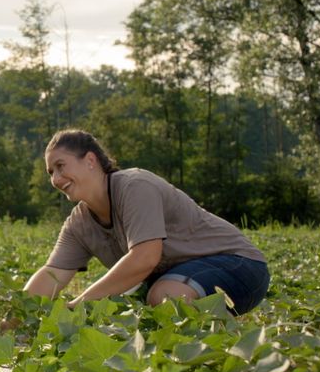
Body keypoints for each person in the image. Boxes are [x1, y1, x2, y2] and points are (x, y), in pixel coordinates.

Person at [24, 129, 269, 315]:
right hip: (177, 276)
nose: (56, 179)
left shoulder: (134, 186)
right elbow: (52, 273)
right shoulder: (79, 224)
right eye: (50, 173)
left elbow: (145, 259)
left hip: (239, 266)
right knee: (121, 312)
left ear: (90, 160)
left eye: (60, 166)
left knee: (164, 297)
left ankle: (220, 348)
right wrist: (15, 319)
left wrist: (78, 306)